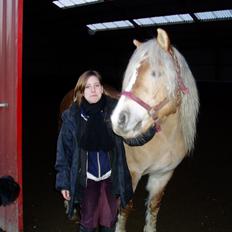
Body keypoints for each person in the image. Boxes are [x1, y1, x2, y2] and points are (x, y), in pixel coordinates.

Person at [55, 70, 156, 232]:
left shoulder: (114, 114)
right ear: (81, 91)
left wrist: (151, 128)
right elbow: (63, 153)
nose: (93, 90)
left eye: (96, 85)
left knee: (109, 221)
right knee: (88, 222)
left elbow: (132, 138)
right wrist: (64, 182)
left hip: (110, 178)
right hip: (86, 179)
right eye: (88, 87)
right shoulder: (72, 117)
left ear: (102, 89)